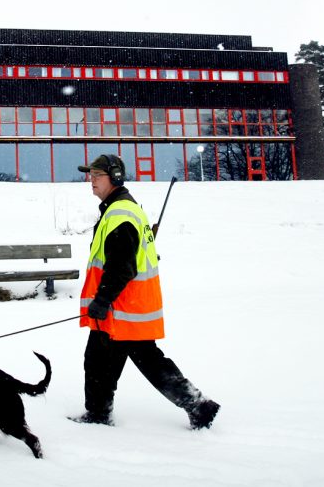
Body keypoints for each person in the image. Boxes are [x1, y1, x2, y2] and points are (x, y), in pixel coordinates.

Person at [70, 154, 220, 429]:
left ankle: (195, 405)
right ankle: (195, 405)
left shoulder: (120, 214)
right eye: (89, 175)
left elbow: (122, 267)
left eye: (97, 175)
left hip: (121, 306)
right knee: (113, 360)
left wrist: (103, 300)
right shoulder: (122, 209)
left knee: (120, 360)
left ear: (114, 177)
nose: (91, 181)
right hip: (127, 304)